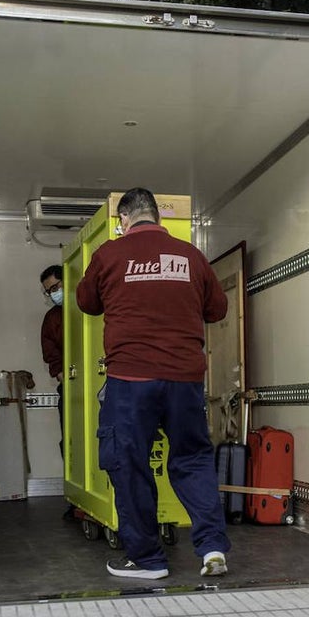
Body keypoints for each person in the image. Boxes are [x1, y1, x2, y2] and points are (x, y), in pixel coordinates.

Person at [76, 187, 231, 579]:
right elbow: (218, 309)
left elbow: (85, 301)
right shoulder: (191, 256)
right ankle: (212, 547)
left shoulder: (109, 254)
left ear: (124, 219)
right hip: (185, 380)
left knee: (128, 463)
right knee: (192, 459)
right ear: (157, 219)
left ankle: (147, 559)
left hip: (131, 380)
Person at [40, 264, 74, 521]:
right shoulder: (52, 319)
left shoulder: (90, 306)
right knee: (71, 442)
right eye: (49, 291)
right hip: (70, 389)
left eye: (55, 287)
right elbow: (53, 358)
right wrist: (68, 382)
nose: (53, 293)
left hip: (105, 389)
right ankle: (77, 498)